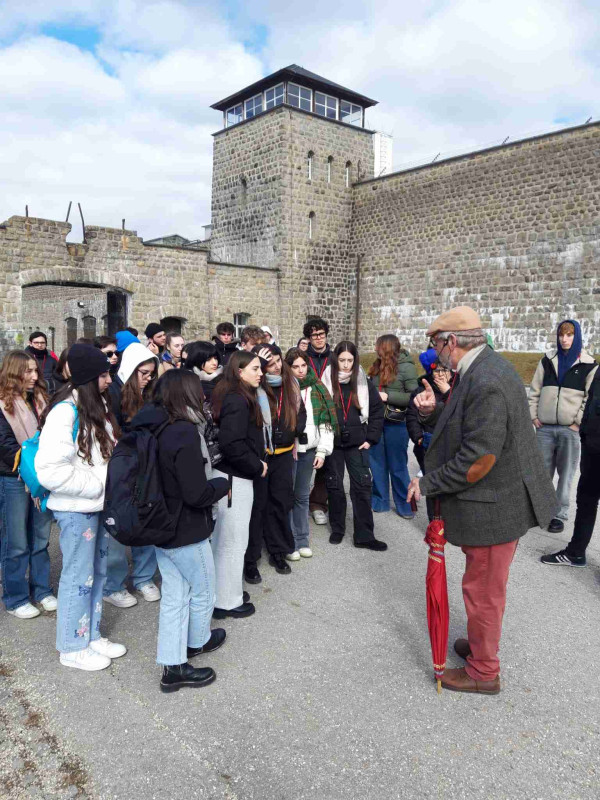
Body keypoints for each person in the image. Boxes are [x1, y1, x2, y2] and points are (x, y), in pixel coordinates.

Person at [407, 306, 556, 694]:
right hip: (494, 501)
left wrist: (426, 483)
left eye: (436, 344)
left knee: (483, 593)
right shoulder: (482, 368)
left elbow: (478, 460)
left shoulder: (485, 378)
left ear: (451, 342)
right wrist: (431, 414)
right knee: (482, 587)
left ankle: (484, 671)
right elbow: (466, 428)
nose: (434, 351)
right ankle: (478, 647)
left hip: (495, 506)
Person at [131, 370, 230, 692]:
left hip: (160, 524)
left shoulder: (153, 427)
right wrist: (221, 484)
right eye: (197, 393)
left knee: (175, 595)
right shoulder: (183, 432)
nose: (202, 398)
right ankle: (195, 643)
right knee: (203, 589)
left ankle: (173, 663)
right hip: (185, 528)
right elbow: (196, 493)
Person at [36, 343, 126, 671]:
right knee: (78, 577)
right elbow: (50, 469)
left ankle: (89, 634)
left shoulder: (94, 406)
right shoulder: (65, 412)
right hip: (77, 509)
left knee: (96, 573)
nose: (108, 379)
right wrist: (96, 486)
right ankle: (72, 646)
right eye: (103, 374)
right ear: (88, 378)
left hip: (96, 506)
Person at [210, 351, 268, 617]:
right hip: (234, 478)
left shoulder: (238, 395)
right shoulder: (237, 399)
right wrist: (257, 465)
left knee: (229, 539)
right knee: (232, 540)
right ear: (239, 371)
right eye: (255, 369)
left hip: (235, 476)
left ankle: (226, 590)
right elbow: (231, 444)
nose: (260, 373)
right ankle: (226, 601)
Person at [104, 342, 160, 607]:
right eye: (144, 373)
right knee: (117, 526)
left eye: (151, 374)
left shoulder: (149, 393)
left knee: (147, 521)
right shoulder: (113, 393)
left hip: (146, 468)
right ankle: (113, 584)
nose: (148, 378)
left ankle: (144, 578)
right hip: (120, 470)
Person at [0, 351, 55, 618]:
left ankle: (42, 590)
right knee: (17, 542)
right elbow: (6, 446)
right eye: (28, 371)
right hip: (14, 479)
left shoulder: (42, 400)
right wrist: (35, 465)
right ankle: (16, 597)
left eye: (36, 371)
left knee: (41, 539)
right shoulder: (2, 404)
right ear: (14, 373)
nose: (34, 376)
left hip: (43, 477)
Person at [529, 319, 597, 533]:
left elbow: (590, 397)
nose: (565, 339)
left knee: (566, 474)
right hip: (545, 428)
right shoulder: (547, 361)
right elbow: (535, 390)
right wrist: (533, 415)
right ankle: (541, 511)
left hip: (570, 430)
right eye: (561, 335)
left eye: (569, 335)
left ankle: (558, 514)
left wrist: (577, 422)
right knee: (541, 472)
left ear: (576, 337)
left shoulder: (590, 365)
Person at [247, 344, 306, 575]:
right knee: (257, 507)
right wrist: (258, 364)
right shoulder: (253, 387)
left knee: (281, 503)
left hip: (283, 455)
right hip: (261, 456)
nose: (277, 366)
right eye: (270, 363)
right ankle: (250, 560)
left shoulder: (291, 385)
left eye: (279, 361)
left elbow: (301, 412)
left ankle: (278, 552)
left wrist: (294, 430)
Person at [321, 342, 386, 550]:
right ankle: (338, 529)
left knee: (362, 487)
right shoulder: (326, 380)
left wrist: (371, 438)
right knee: (335, 486)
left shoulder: (363, 381)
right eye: (342, 360)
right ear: (335, 359)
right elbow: (318, 410)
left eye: (350, 360)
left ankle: (365, 536)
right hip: (333, 442)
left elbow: (376, 410)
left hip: (358, 444)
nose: (346, 365)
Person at [541, 366, 600, 567]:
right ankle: (575, 553)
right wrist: (583, 430)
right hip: (592, 444)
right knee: (586, 500)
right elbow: (592, 398)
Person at [285, 348, 336, 558]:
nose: (300, 370)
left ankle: (302, 540)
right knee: (287, 496)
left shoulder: (317, 387)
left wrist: (322, 451)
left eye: (303, 365)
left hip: (310, 449)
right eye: (295, 366)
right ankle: (288, 542)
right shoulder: (284, 388)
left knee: (302, 496)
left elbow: (326, 422)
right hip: (288, 450)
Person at [368, 335, 419, 519]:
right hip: (376, 422)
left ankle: (405, 505)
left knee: (398, 465)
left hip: (397, 423)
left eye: (378, 346)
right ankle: (380, 501)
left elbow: (414, 397)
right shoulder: (376, 366)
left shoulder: (406, 367)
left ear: (386, 348)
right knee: (377, 463)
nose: (375, 349)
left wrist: (388, 396)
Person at [406, 349, 455, 521]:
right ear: (431, 372)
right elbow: (412, 416)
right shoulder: (421, 389)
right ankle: (434, 521)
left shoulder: (458, 389)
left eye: (445, 370)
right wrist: (418, 437)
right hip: (428, 442)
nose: (441, 374)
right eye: (437, 370)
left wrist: (449, 391)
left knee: (451, 483)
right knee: (431, 484)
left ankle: (450, 522)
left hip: (452, 444)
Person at [304, 318, 332, 525]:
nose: (319, 338)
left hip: (331, 410)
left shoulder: (335, 357)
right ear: (309, 338)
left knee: (327, 459)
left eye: (321, 334)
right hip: (310, 410)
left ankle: (318, 503)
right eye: (314, 335)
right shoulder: (303, 358)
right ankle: (301, 500)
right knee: (306, 459)